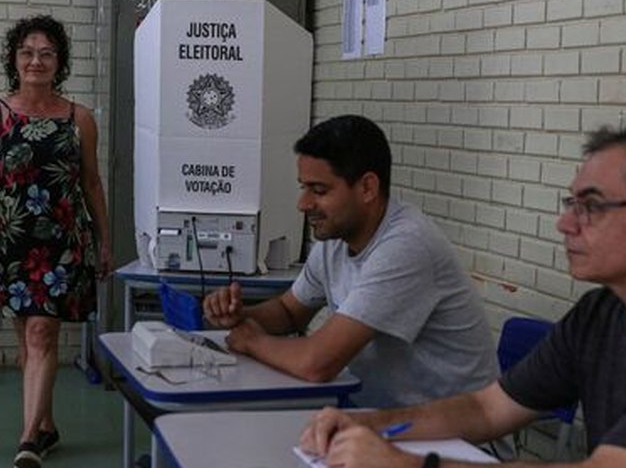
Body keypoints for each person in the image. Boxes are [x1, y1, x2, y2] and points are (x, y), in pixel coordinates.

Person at [299, 119, 626, 468]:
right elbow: (486, 408)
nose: (565, 223)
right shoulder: (601, 312)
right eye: (570, 203)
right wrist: (367, 424)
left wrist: (409, 465)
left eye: (591, 206)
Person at [203, 114, 499, 408]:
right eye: (303, 187)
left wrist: (254, 341)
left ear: (367, 188)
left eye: (319, 190)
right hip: (378, 419)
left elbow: (316, 364)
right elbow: (289, 312)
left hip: (460, 441)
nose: (303, 204)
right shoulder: (336, 238)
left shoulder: (406, 246)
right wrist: (241, 316)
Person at [0, 15, 112, 468]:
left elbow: (91, 183)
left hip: (62, 243)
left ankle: (28, 439)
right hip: (9, 241)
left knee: (42, 331)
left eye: (46, 53)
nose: (36, 61)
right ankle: (46, 426)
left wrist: (104, 241)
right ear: (15, 59)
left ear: (59, 62)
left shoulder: (79, 118)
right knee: (28, 344)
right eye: (28, 52)